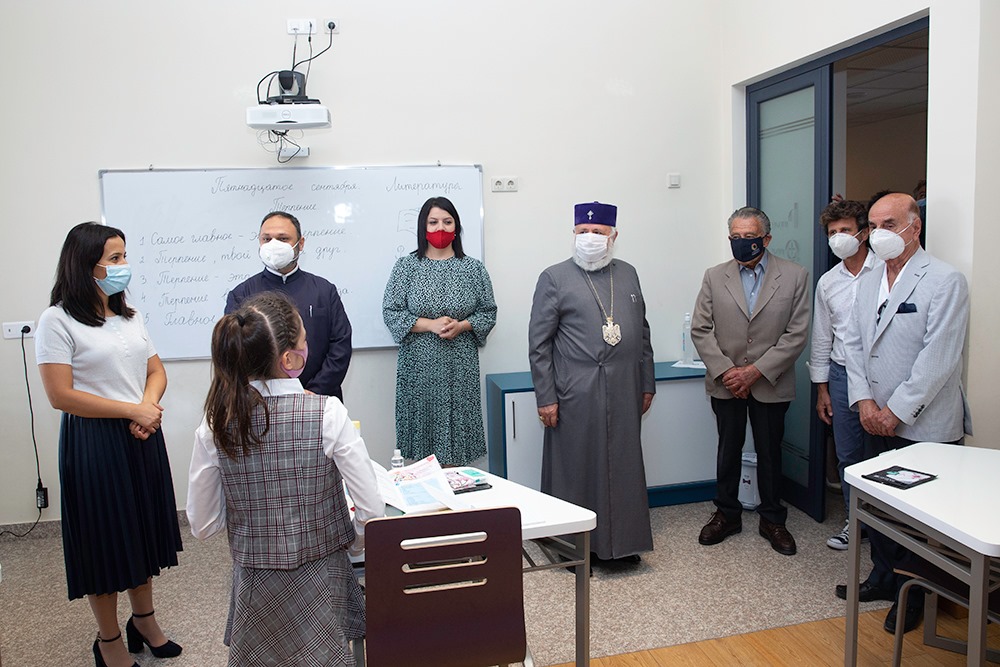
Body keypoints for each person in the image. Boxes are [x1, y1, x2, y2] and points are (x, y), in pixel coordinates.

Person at [187, 291, 384, 667]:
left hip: (255, 584)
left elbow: (203, 525)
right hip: (322, 579)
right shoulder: (327, 413)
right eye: (305, 340)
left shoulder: (216, 424)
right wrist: (350, 541)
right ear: (290, 359)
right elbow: (372, 512)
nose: (308, 346)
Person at [35, 222, 183, 667]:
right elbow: (61, 395)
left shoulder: (130, 317)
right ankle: (108, 641)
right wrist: (132, 412)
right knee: (105, 541)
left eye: (123, 256)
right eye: (114, 259)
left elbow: (156, 372)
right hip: (95, 443)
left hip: (142, 434)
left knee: (142, 535)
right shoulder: (56, 319)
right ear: (86, 265)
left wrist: (147, 406)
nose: (124, 266)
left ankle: (145, 621)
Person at [837, 192, 971, 634]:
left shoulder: (945, 281)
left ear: (915, 227)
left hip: (922, 422)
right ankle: (881, 575)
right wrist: (865, 403)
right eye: (873, 226)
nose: (878, 235)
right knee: (879, 505)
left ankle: (911, 597)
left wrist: (894, 411)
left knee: (916, 513)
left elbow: (939, 359)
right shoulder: (870, 278)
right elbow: (853, 345)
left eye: (889, 225)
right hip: (873, 413)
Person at [528, 201, 655, 563]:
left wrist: (648, 382)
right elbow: (539, 344)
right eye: (582, 233)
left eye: (598, 232)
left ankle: (623, 545)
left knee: (624, 468)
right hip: (574, 392)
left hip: (624, 388)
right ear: (573, 235)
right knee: (576, 470)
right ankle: (573, 549)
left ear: (614, 236)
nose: (590, 239)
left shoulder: (628, 273)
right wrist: (546, 397)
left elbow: (642, 332)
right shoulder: (554, 277)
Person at [691, 206, 810, 556]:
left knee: (770, 452)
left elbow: (797, 333)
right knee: (728, 449)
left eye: (750, 238)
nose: (742, 244)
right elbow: (701, 329)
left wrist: (755, 371)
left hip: (770, 381)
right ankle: (726, 514)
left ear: (766, 239)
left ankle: (772, 517)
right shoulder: (715, 276)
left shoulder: (795, 276)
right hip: (725, 381)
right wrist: (728, 371)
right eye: (735, 238)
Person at [382, 196, 497, 466]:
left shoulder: (473, 269)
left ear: (457, 227)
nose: (440, 228)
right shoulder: (406, 267)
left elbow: (488, 312)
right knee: (423, 452)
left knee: (457, 448)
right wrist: (429, 325)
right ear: (423, 227)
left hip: (460, 367)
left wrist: (463, 325)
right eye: (433, 222)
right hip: (418, 369)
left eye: (447, 222)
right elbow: (391, 311)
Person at [808, 199, 878, 550]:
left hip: (882, 376)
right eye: (832, 233)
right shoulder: (828, 282)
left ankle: (887, 528)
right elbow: (822, 337)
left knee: (881, 455)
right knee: (848, 455)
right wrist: (822, 389)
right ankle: (856, 521)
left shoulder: (885, 272)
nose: (838, 238)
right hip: (840, 374)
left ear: (863, 233)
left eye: (845, 231)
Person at [226, 211, 353, 401]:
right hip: (262, 403)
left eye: (283, 238)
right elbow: (233, 351)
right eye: (266, 239)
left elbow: (340, 345)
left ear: (300, 244)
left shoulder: (324, 290)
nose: (273, 245)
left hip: (321, 399)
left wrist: (315, 391)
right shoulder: (241, 295)